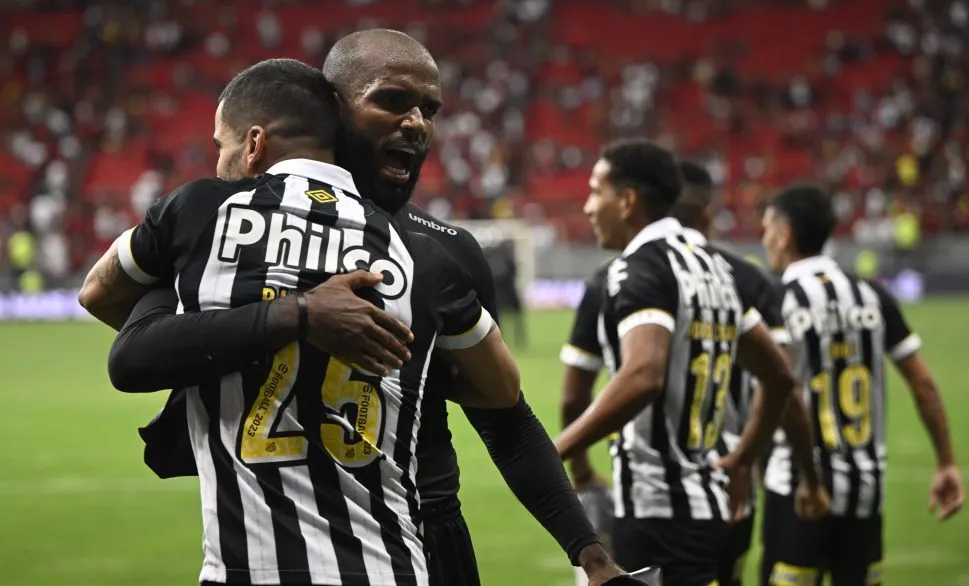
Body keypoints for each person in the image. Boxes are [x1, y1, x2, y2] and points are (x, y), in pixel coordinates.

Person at [93, 30, 633, 585]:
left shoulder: (443, 251)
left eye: (429, 110)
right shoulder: (235, 232)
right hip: (296, 532)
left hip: (428, 530)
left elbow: (504, 419)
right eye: (393, 101)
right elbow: (138, 337)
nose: (417, 123)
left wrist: (590, 554)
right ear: (332, 109)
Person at [553, 140, 803, 586]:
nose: (588, 207)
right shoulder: (714, 267)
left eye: (596, 192)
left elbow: (643, 375)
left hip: (656, 511)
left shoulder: (637, 268)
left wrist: (552, 453)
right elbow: (780, 376)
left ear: (627, 201)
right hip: (707, 503)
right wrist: (744, 457)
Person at [759, 183, 965, 586]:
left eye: (767, 227)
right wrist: (946, 461)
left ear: (784, 235)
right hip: (864, 491)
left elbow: (779, 391)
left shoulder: (778, 299)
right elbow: (923, 383)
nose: (764, 238)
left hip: (796, 487)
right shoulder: (872, 295)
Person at [671, 160, 827, 586]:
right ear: (708, 212)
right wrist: (798, 472)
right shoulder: (749, 279)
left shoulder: (627, 276)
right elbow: (783, 386)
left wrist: (570, 457)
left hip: (651, 490)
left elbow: (584, 391)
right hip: (732, 475)